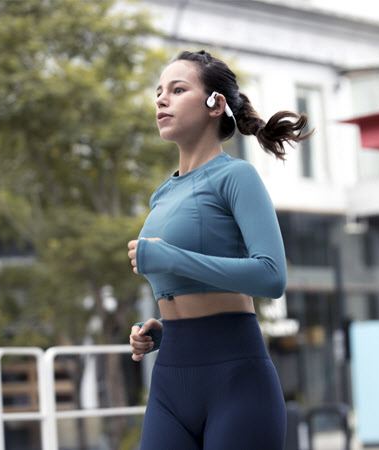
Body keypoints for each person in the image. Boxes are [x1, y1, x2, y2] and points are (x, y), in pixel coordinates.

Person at [126, 49, 312, 450]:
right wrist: (159, 331)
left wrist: (168, 257)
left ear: (216, 104)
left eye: (178, 89)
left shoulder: (236, 176)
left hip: (237, 383)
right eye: (159, 91)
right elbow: (188, 290)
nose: (161, 99)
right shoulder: (162, 195)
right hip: (171, 377)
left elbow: (271, 276)